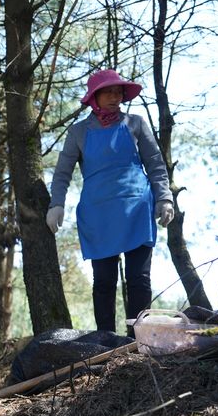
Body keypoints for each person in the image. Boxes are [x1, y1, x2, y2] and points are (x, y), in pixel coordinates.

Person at [46, 69, 174, 336]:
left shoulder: (136, 123)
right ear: (95, 97)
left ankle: (140, 337)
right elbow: (62, 173)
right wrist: (56, 203)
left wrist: (164, 197)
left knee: (138, 278)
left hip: (136, 208)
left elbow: (156, 165)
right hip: (98, 214)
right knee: (104, 281)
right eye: (109, 92)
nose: (115, 97)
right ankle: (105, 340)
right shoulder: (78, 132)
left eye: (119, 92)